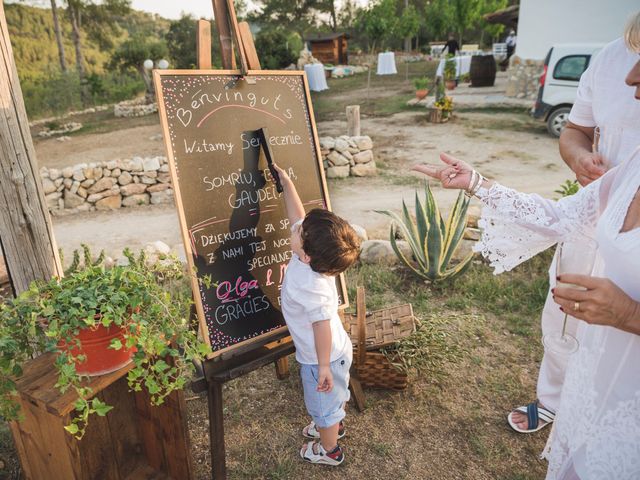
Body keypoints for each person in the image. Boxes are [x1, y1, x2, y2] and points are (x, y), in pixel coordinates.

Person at [412, 14, 640, 478]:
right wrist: (477, 183)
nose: (631, 76)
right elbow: (559, 215)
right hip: (594, 386)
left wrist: (629, 315)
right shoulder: (632, 168)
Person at [508, 18, 640, 434]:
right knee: (566, 314)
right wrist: (581, 158)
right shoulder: (609, 58)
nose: (631, 78)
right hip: (594, 212)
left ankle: (605, 407)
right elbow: (575, 131)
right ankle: (554, 398)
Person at [272, 163, 360, 466]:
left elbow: (321, 326)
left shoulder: (313, 286)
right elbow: (297, 216)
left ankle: (329, 449)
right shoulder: (312, 256)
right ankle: (334, 423)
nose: (297, 227)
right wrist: (287, 183)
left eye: (302, 231)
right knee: (334, 395)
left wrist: (322, 367)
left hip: (321, 356)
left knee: (322, 403)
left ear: (306, 253)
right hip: (335, 348)